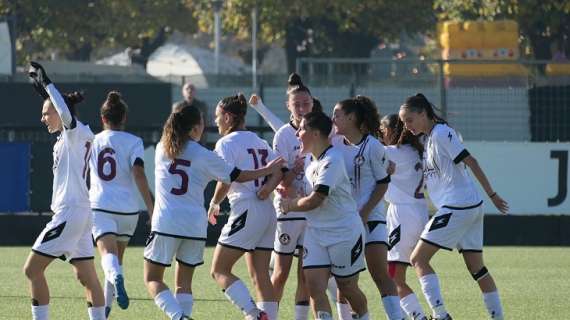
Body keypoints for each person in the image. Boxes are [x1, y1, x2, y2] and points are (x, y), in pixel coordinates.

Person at [144, 104, 284, 320]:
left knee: (153, 279)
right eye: (202, 121)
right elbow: (236, 175)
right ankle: (259, 314)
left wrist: (216, 202)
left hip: (167, 222)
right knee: (184, 284)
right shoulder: (204, 153)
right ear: (193, 128)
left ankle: (180, 317)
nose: (209, 124)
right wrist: (267, 172)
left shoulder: (163, 148)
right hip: (196, 226)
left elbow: (228, 179)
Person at [399, 93, 509, 320]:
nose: (406, 126)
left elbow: (471, 161)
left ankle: (440, 316)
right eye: (403, 122)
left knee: (418, 259)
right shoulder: (429, 138)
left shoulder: (441, 133)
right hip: (467, 207)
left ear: (422, 113)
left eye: (409, 119)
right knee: (477, 268)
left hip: (459, 206)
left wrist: (493, 194)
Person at [23, 61, 106, 320]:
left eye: (47, 113)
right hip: (80, 213)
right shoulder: (68, 138)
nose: (43, 117)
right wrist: (45, 93)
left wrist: (48, 84)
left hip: (70, 213)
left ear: (60, 113)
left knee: (31, 270)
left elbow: (65, 113)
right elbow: (62, 111)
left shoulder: (75, 133)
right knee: (87, 276)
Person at [279, 111, 369, 320]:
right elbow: (308, 196)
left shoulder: (333, 159)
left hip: (344, 233)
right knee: (314, 287)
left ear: (316, 133)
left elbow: (317, 199)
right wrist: (289, 193)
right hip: (316, 234)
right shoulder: (312, 163)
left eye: (301, 129)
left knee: (347, 287)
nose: (297, 134)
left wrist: (290, 205)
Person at [249, 73, 322, 320]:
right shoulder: (282, 134)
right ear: (288, 106)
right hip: (288, 211)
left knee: (307, 274)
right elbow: (280, 176)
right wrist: (293, 173)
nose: (302, 109)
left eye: (306, 104)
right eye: (297, 104)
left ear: (313, 103)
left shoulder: (323, 131)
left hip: (313, 211)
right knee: (280, 273)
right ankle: (269, 315)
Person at [208, 94, 284, 320]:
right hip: (267, 211)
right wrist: (267, 189)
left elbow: (226, 178)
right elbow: (279, 170)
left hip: (246, 209)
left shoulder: (226, 143)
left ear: (229, 117)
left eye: (218, 116)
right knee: (261, 274)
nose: (216, 121)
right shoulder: (259, 141)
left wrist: (214, 203)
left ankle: (253, 314)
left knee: (219, 269)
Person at [330, 97, 403, 320]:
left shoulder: (372, 146)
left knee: (380, 274)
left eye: (337, 114)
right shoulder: (332, 143)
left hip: (371, 219)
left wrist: (365, 212)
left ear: (351, 118)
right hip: (344, 222)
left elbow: (383, 183)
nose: (333, 119)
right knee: (346, 280)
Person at [89, 91, 155, 317]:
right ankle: (106, 310)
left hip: (101, 206)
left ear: (102, 118)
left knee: (108, 258)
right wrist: (151, 207)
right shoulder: (134, 141)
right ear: (124, 118)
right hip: (128, 211)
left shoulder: (93, 140)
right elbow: (139, 172)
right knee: (116, 259)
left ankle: (116, 280)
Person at [380, 114, 429, 320]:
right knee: (404, 270)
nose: (380, 136)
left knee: (393, 277)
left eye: (382, 131)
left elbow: (361, 151)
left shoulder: (393, 152)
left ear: (391, 132)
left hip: (403, 214)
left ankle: (419, 317)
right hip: (419, 211)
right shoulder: (416, 151)